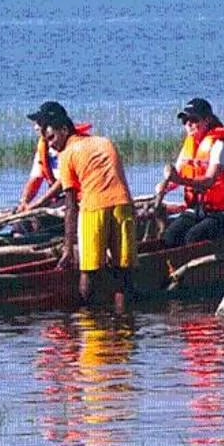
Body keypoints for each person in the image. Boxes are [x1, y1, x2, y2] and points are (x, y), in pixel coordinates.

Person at [36, 102, 136, 310]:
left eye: (53, 138)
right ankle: (124, 326)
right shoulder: (103, 141)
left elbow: (71, 206)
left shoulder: (67, 155)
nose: (51, 145)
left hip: (94, 208)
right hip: (124, 205)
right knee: (123, 273)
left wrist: (67, 249)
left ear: (64, 130)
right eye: (47, 141)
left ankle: (87, 324)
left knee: (89, 271)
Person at [158, 98, 224, 248]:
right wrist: (164, 186)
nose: (189, 124)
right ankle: (171, 267)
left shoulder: (221, 146)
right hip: (198, 209)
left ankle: (199, 270)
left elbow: (209, 180)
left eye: (193, 119)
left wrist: (179, 180)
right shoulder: (189, 146)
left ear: (207, 120)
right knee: (170, 236)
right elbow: (176, 177)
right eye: (185, 120)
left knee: (193, 237)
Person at [16, 109, 92, 212]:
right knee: (23, 222)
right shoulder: (44, 148)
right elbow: (35, 179)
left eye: (40, 123)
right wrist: (24, 202)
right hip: (57, 197)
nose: (36, 127)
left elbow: (63, 182)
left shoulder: (75, 145)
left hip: (78, 197)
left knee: (38, 221)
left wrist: (38, 203)